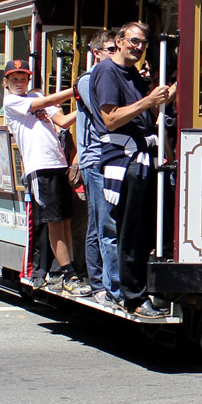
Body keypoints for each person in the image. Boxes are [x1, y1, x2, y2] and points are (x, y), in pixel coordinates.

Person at [92, 22, 177, 319]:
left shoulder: (133, 75)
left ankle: (151, 289)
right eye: (134, 41)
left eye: (143, 43)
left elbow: (151, 111)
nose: (138, 47)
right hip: (125, 161)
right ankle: (134, 298)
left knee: (153, 228)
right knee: (132, 232)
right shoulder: (107, 72)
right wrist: (149, 100)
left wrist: (175, 88)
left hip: (145, 159)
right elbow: (111, 118)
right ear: (119, 41)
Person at [2, 59, 90, 297]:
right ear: (6, 82)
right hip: (39, 168)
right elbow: (47, 102)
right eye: (14, 79)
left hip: (58, 164)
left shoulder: (36, 95)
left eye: (23, 79)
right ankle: (67, 273)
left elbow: (62, 121)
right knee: (54, 222)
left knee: (65, 220)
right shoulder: (12, 102)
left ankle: (68, 271)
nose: (19, 83)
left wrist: (86, 106)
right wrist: (77, 90)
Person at [77, 30, 121, 303]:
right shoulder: (88, 79)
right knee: (100, 222)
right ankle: (98, 284)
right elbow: (106, 115)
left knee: (110, 221)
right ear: (96, 53)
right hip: (95, 158)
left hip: (114, 157)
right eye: (110, 49)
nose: (115, 54)